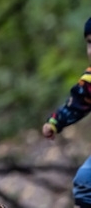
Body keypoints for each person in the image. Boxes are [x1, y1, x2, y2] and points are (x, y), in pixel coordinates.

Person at [41, 17, 91, 208]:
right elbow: (75, 105)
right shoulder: (89, 81)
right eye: (89, 43)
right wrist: (55, 122)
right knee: (85, 180)